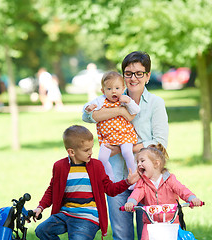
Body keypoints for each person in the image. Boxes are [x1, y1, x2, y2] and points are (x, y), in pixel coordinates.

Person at [82, 51, 169, 240]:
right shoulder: (113, 97)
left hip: (146, 178)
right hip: (116, 178)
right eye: (128, 73)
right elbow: (86, 115)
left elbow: (160, 142)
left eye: (139, 73)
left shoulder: (155, 103)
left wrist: (126, 147)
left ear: (147, 76)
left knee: (149, 233)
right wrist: (121, 111)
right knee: (121, 236)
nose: (133, 78)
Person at [32, 125, 140, 240]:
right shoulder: (60, 166)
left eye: (91, 148)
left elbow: (110, 189)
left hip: (87, 217)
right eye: (86, 150)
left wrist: (127, 182)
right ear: (71, 152)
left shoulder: (96, 166)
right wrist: (40, 207)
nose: (91, 152)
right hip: (65, 214)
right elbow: (52, 190)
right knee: (42, 231)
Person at [123, 144, 203, 240]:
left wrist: (192, 199)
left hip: (171, 222)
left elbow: (182, 190)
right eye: (137, 162)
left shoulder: (169, 179)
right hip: (150, 223)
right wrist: (131, 202)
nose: (139, 164)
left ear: (156, 164)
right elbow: (136, 193)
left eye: (142, 161)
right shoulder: (142, 183)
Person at [84, 71, 140, 184]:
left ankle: (134, 177)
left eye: (117, 88)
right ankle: (110, 178)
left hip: (125, 135)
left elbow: (136, 110)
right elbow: (85, 110)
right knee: (102, 159)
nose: (113, 91)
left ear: (123, 88)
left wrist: (129, 102)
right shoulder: (100, 100)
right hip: (108, 138)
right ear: (103, 91)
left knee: (127, 153)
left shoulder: (124, 99)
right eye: (109, 89)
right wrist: (89, 109)